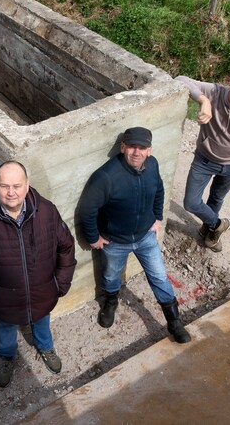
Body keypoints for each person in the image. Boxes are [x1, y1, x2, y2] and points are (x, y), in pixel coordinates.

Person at [0, 161, 77, 387]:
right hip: (5, 301)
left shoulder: (47, 211)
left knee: (42, 320)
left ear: (27, 185)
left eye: (16, 186)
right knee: (5, 328)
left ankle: (45, 347)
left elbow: (66, 247)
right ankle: (6, 357)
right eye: (5, 186)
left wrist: (60, 283)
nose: (11, 192)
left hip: (43, 293)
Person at [79, 127, 191, 344]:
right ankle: (111, 303)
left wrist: (157, 218)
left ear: (149, 150)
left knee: (159, 276)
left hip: (146, 237)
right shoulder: (106, 177)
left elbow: (159, 190)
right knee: (111, 275)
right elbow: (87, 210)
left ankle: (174, 321)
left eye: (142, 148)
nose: (136, 152)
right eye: (132, 147)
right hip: (115, 241)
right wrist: (93, 238)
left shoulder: (153, 165)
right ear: (123, 148)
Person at [176, 62, 230, 252]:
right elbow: (181, 79)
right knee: (191, 203)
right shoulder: (215, 92)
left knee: (216, 199)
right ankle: (218, 224)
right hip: (204, 159)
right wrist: (204, 101)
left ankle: (209, 231)